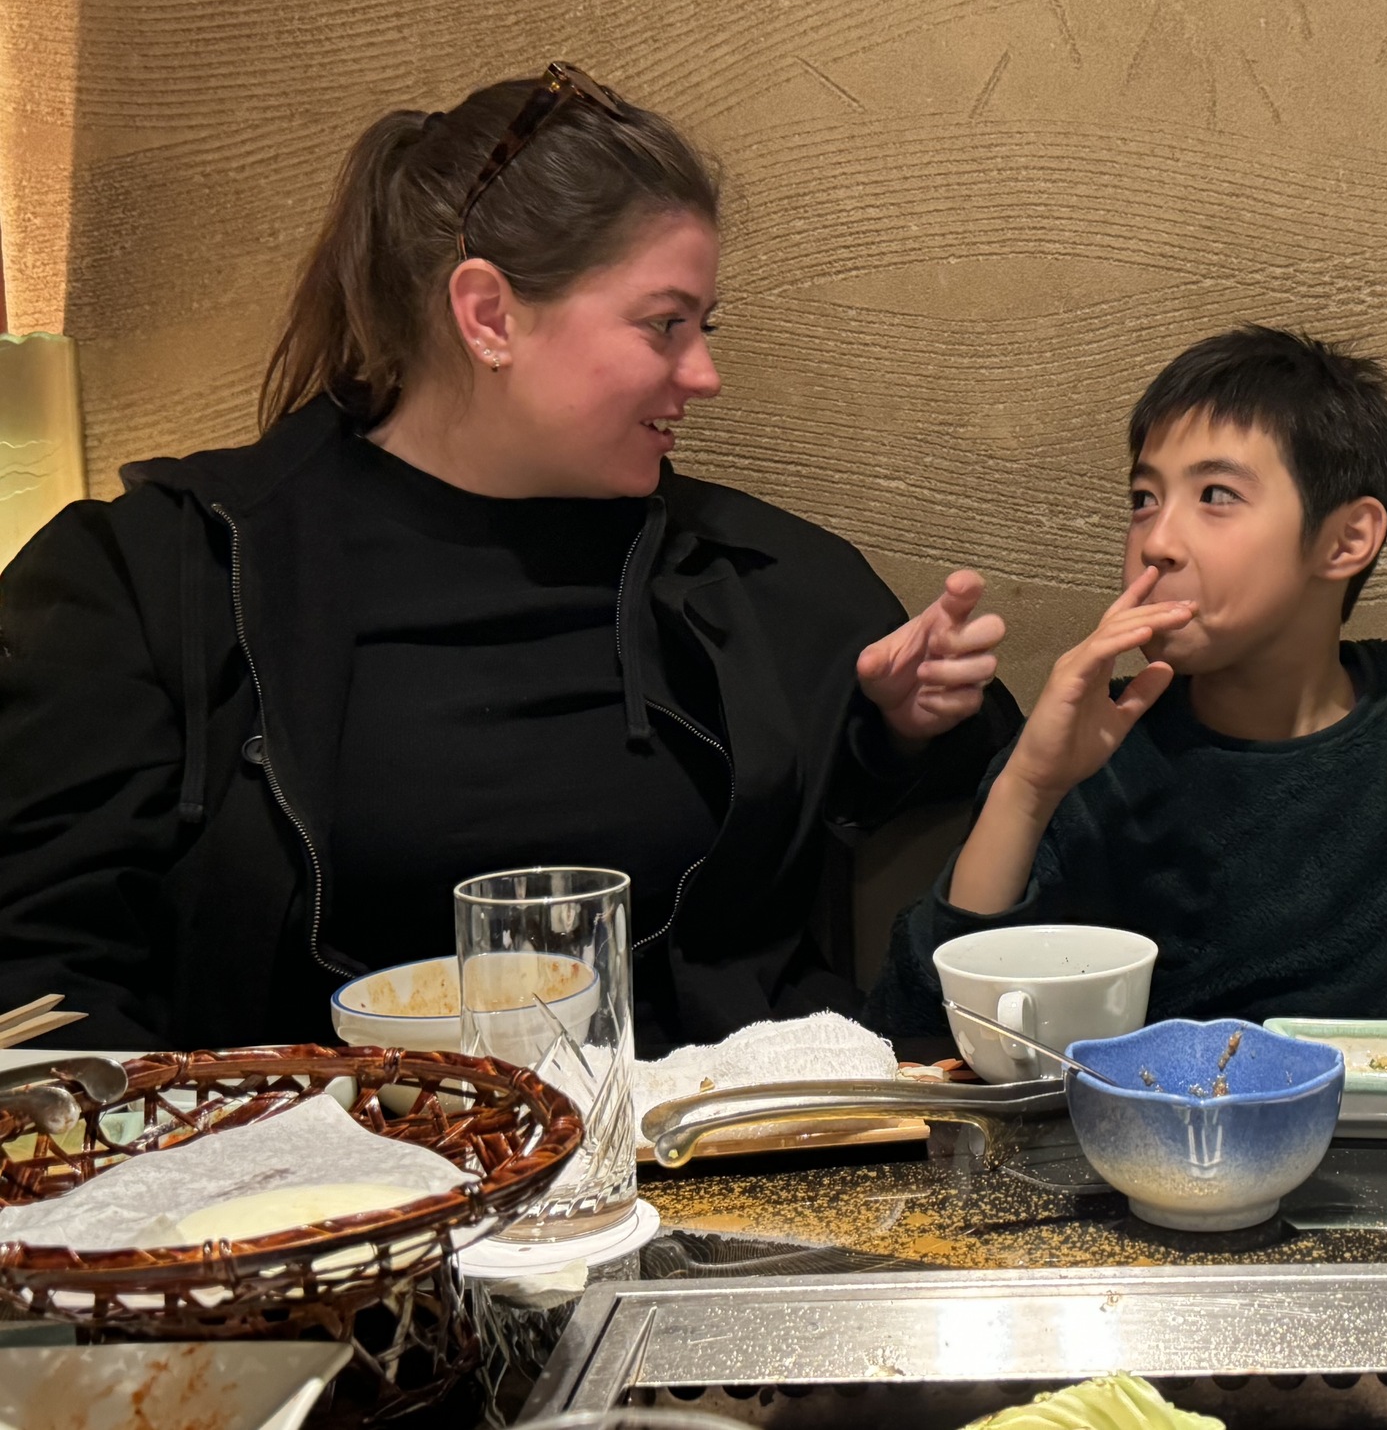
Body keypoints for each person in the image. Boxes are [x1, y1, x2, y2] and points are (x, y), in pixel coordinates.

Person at [0, 63, 1019, 1054]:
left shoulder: (750, 574)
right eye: (664, 325)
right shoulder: (158, 577)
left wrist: (899, 727)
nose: (705, 374)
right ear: (488, 315)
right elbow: (44, 976)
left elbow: (968, 795)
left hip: (694, 1139)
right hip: (319, 1149)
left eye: (703, 327)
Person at [867, 326, 1387, 1035]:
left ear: (1346, 539)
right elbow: (919, 1044)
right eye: (1144, 498)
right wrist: (1028, 788)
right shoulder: (1099, 744)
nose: (1158, 541)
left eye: (1215, 495)